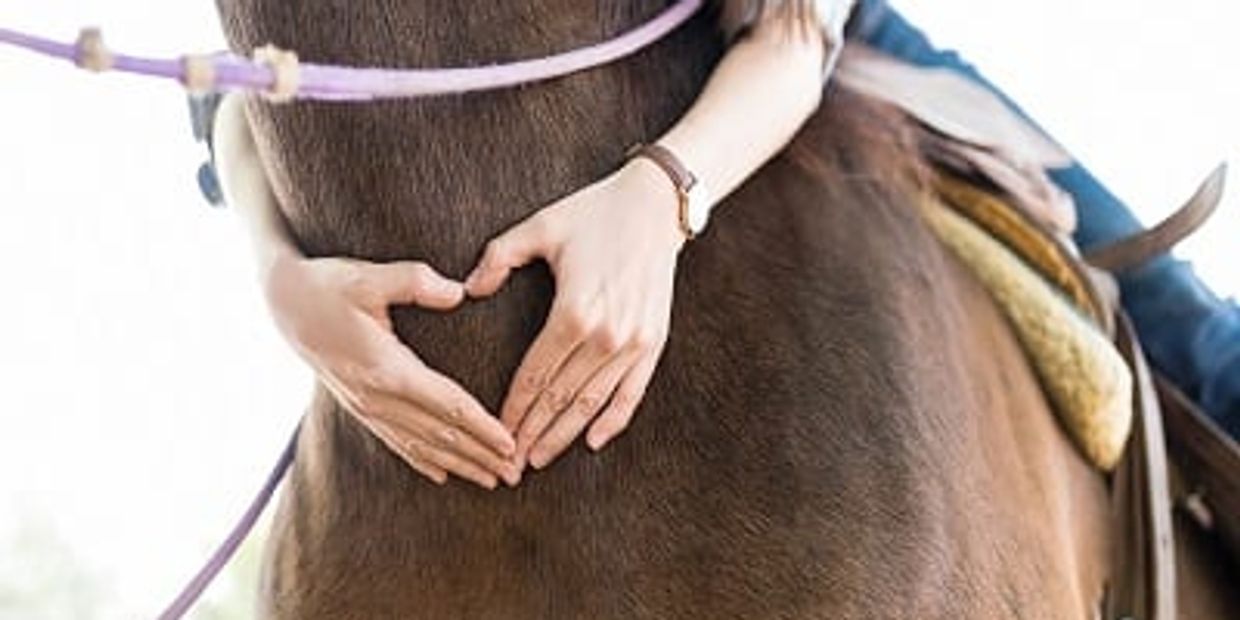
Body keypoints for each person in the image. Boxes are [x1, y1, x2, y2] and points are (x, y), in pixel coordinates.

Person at [209, 0, 1239, 489]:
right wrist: (277, 276)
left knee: (1189, 336)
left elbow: (793, 38)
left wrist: (662, 193)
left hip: (818, 47)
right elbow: (243, 87)